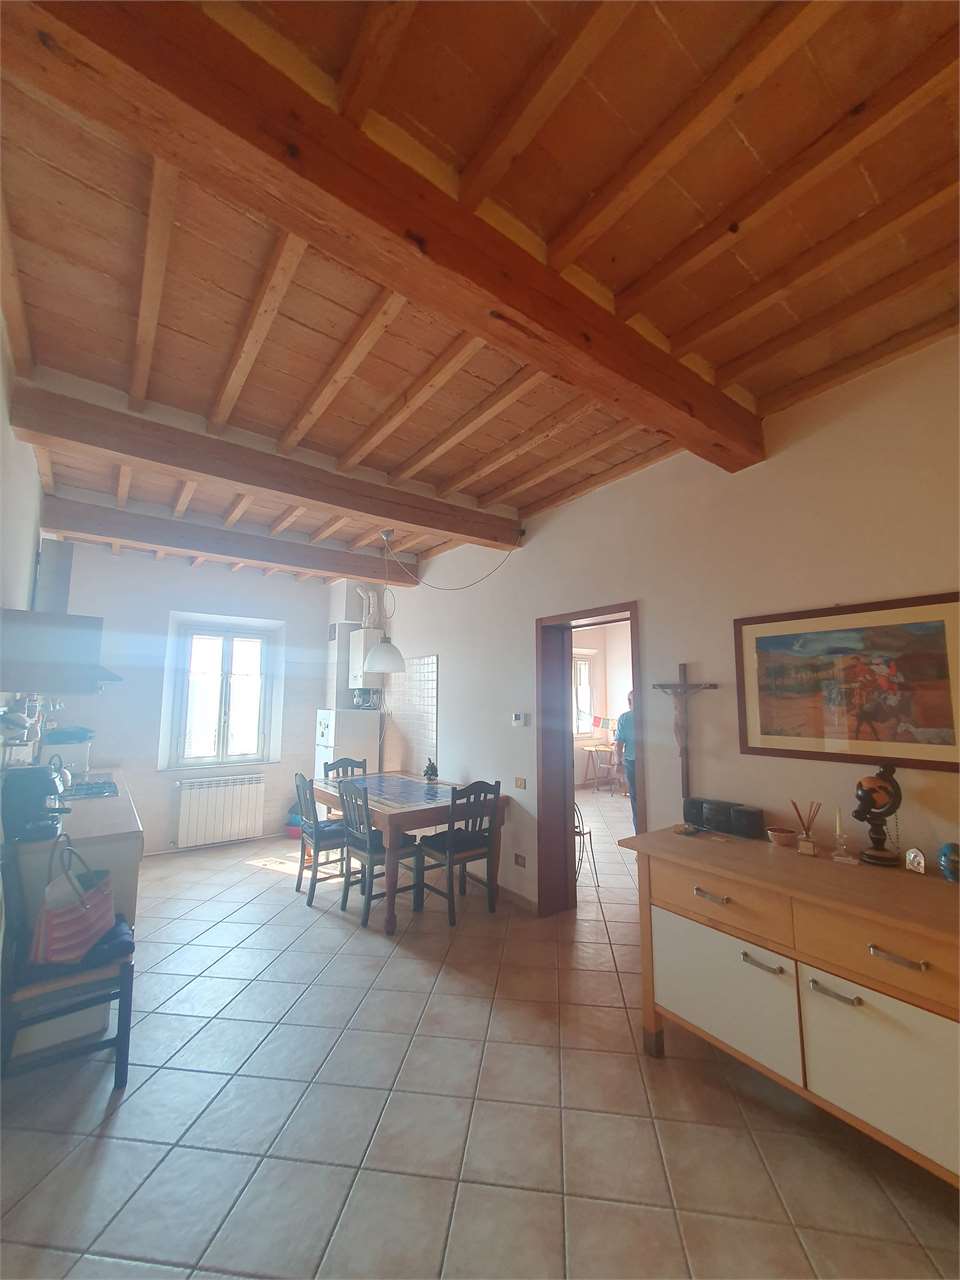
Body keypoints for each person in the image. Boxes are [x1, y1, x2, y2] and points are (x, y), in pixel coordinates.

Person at [615, 690, 638, 832]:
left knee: (635, 800)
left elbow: (618, 744)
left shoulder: (624, 718)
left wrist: (618, 763)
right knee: (637, 798)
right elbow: (618, 744)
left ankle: (639, 832)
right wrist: (618, 763)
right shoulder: (625, 718)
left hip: (633, 763)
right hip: (633, 763)